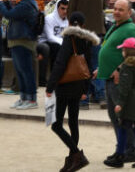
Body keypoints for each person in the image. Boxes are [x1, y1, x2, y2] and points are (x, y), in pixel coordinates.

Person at [46, 11, 99, 172]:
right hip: (79, 84)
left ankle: (76, 155)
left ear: (70, 23)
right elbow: (88, 66)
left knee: (56, 124)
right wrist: (86, 88)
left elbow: (60, 63)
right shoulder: (87, 40)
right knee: (73, 122)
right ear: (83, 25)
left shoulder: (69, 38)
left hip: (65, 84)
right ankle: (72, 159)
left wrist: (50, 86)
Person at [98, 0, 135, 163]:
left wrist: (118, 70)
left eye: (121, 10)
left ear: (129, 13)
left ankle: (130, 151)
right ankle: (122, 149)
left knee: (122, 116)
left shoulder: (131, 29)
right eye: (115, 9)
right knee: (114, 116)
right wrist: (101, 68)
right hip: (110, 79)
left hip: (120, 81)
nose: (116, 12)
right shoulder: (117, 27)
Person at [104, 37, 135, 169]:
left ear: (127, 51)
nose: (122, 52)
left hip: (130, 102)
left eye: (123, 49)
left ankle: (121, 156)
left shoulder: (127, 66)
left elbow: (125, 87)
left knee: (123, 128)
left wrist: (119, 103)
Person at [0, 0, 41, 109]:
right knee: (20, 70)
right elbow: (13, 11)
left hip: (23, 41)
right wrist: (5, 1)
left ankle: (32, 99)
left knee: (26, 70)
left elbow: (9, 14)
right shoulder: (26, 2)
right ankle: (24, 97)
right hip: (18, 40)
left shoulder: (27, 4)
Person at [68, 0, 106, 105]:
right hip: (98, 33)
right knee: (97, 64)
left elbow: (71, 13)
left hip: (81, 34)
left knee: (82, 66)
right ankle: (100, 96)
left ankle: (83, 99)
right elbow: (103, 7)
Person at [39, 0, 69, 87]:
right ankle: (49, 79)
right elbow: (50, 37)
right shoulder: (49, 18)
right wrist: (64, 43)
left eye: (67, 9)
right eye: (62, 8)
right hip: (46, 42)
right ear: (57, 8)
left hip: (59, 43)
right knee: (57, 48)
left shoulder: (68, 20)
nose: (65, 11)